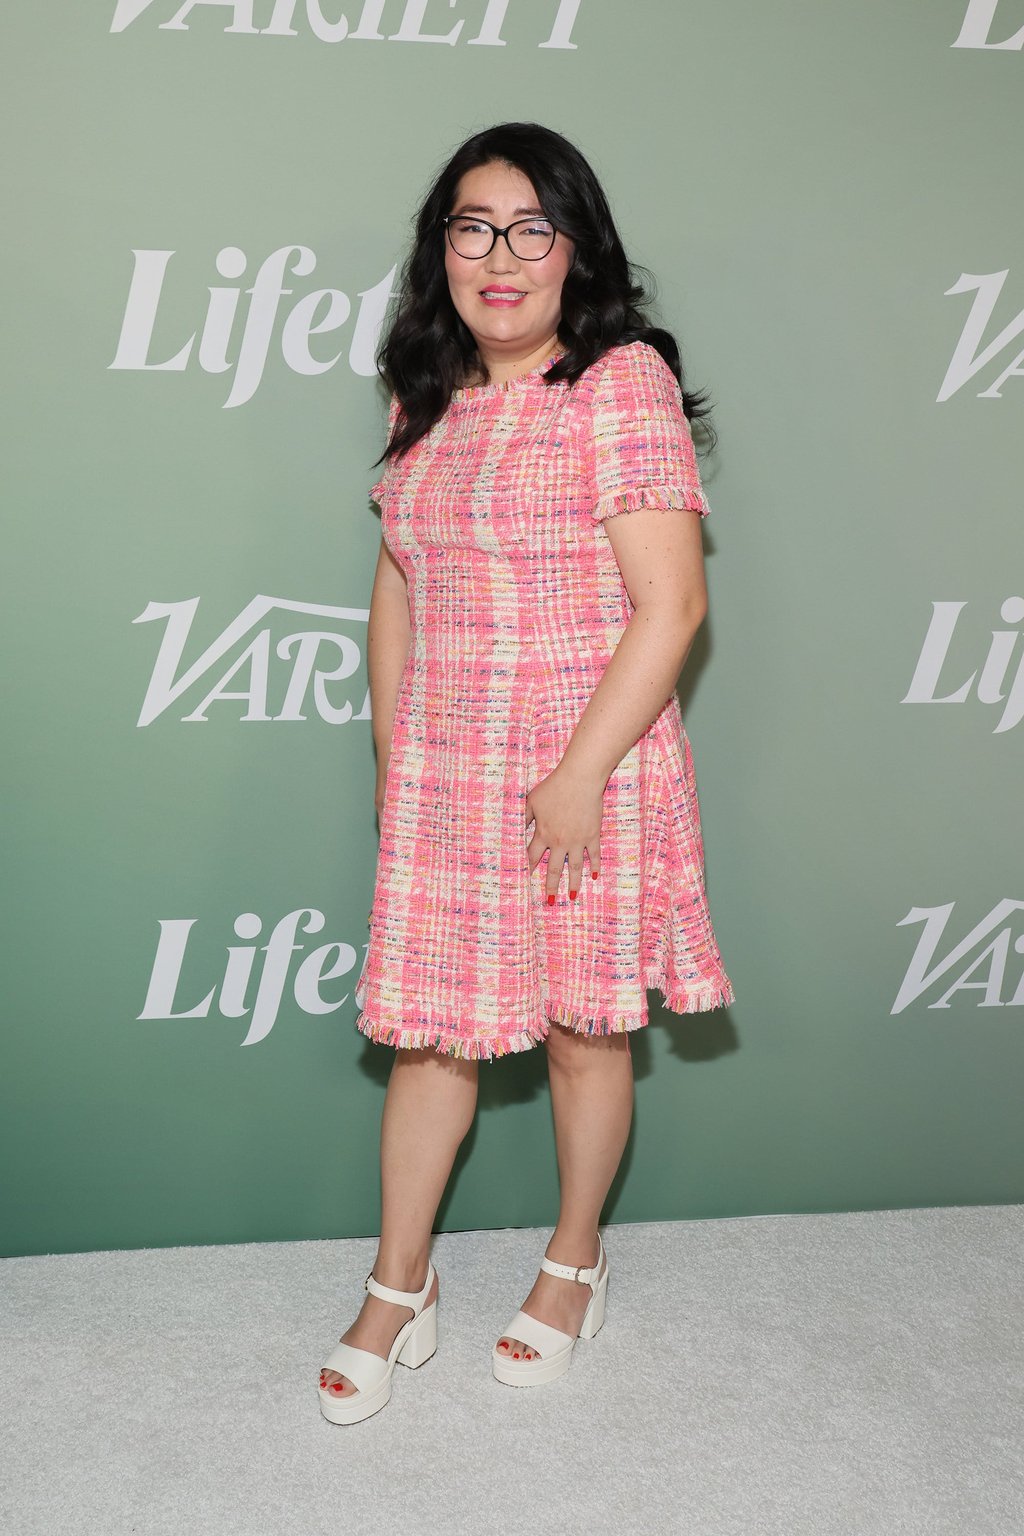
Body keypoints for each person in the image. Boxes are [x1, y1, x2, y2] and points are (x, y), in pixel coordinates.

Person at [318, 122, 733, 1424]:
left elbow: (671, 610)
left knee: (578, 1033)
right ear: (440, 248)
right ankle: (400, 1288)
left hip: (584, 765)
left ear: (576, 251)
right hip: (449, 767)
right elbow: (398, 580)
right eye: (471, 227)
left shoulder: (618, 387)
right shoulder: (424, 394)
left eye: (530, 229)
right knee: (428, 1037)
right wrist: (398, 749)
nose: (499, 257)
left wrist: (574, 775)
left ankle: (573, 1263)